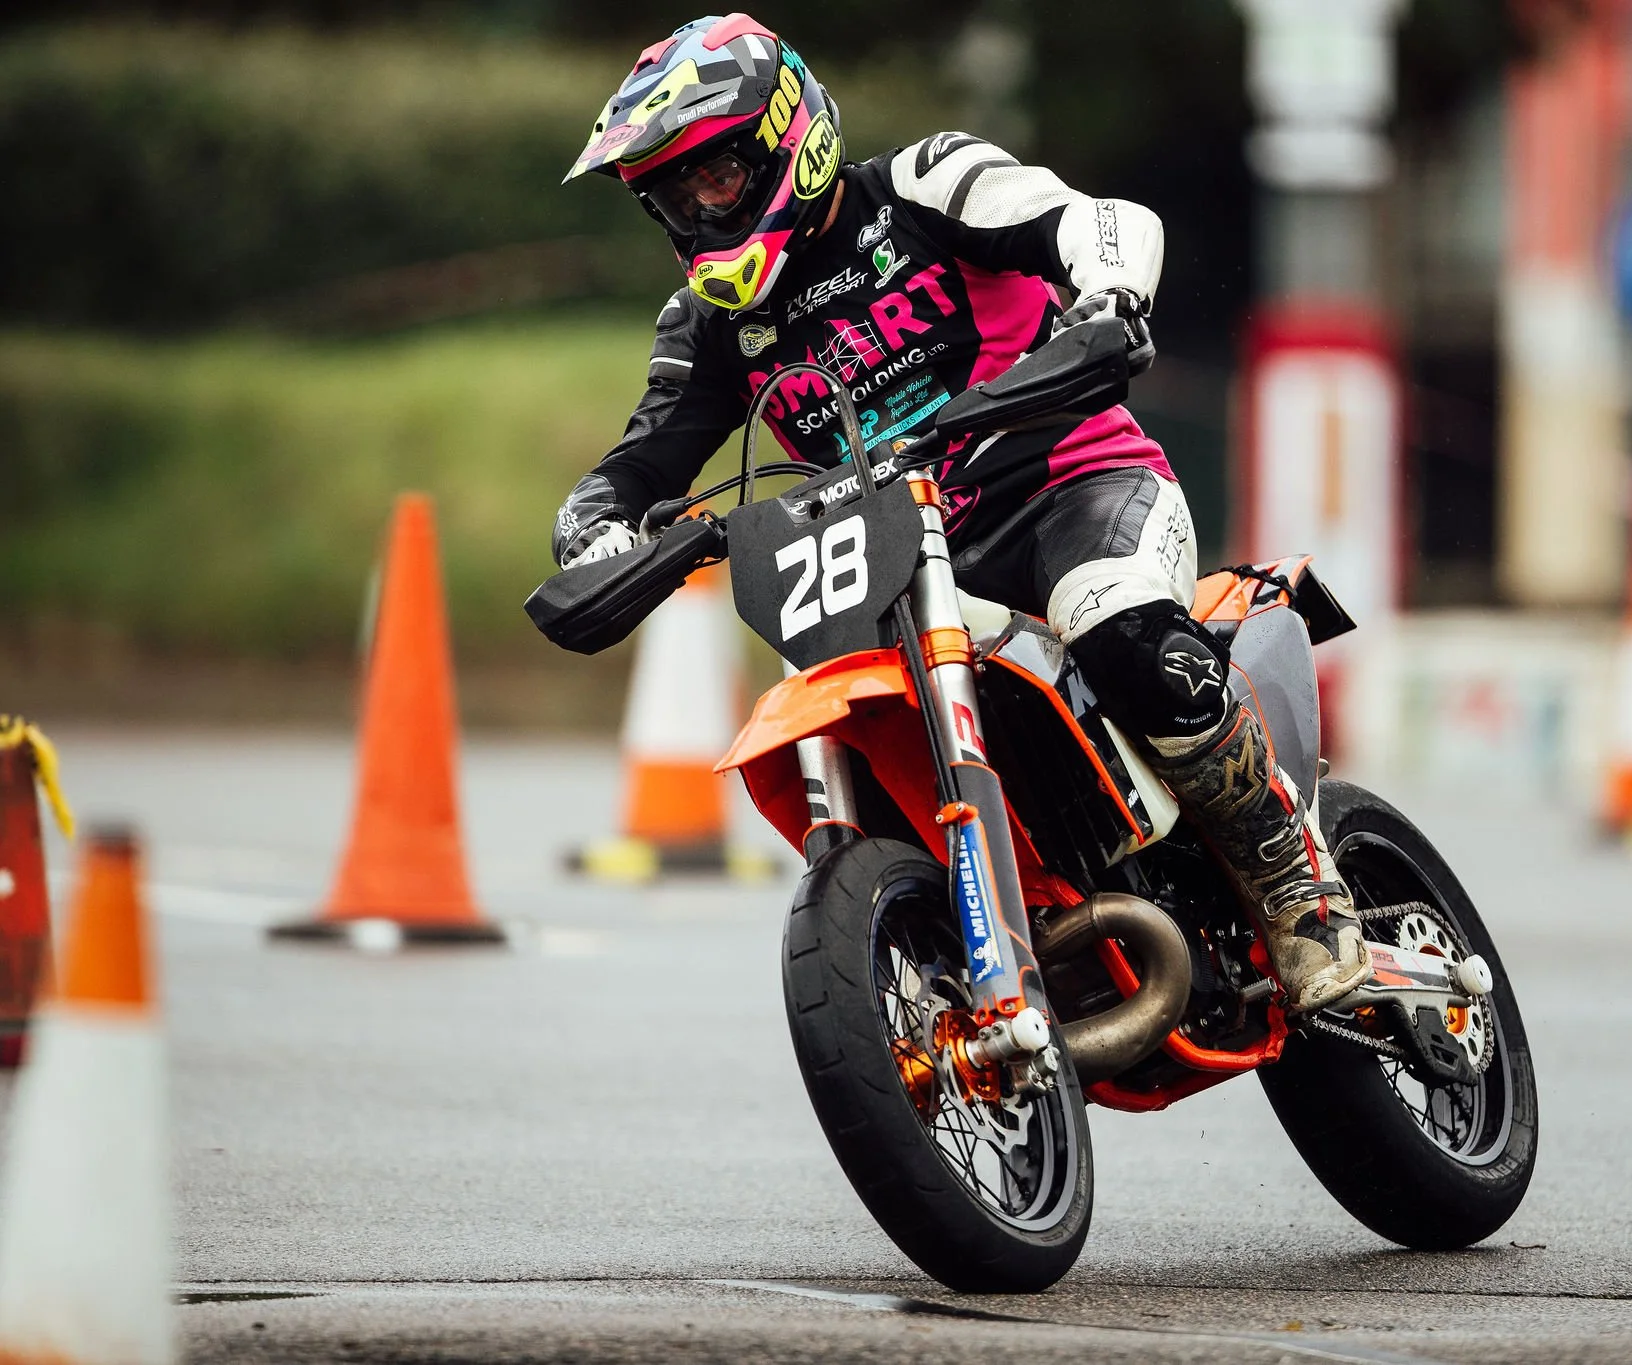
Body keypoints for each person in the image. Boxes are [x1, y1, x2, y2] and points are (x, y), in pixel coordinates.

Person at [553, 13, 1372, 1013]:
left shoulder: (923, 184)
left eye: (713, 175)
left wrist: (1108, 297)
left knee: (1116, 629)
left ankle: (1297, 886)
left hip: (1077, 488)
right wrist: (594, 532)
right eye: (672, 196)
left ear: (784, 139)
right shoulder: (707, 326)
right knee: (850, 707)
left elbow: (1100, 221)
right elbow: (634, 466)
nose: (697, 209)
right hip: (898, 561)